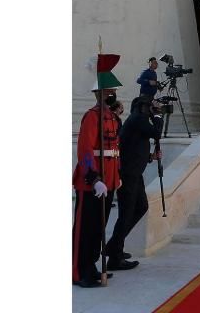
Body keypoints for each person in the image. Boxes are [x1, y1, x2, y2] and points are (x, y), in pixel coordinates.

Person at [105, 96, 164, 270]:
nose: (151, 109)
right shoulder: (138, 119)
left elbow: (134, 147)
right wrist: (158, 116)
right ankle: (114, 258)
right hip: (128, 174)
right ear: (142, 107)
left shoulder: (138, 120)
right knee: (126, 213)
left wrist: (150, 157)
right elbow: (156, 133)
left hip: (134, 173)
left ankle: (114, 246)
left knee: (141, 207)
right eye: (149, 106)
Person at [72, 85, 121, 288]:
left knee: (98, 229)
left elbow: (115, 149)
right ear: (98, 94)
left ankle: (91, 266)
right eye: (107, 92)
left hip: (108, 182)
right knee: (85, 229)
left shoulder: (111, 117)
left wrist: (116, 177)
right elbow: (84, 150)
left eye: (112, 92)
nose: (111, 94)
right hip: (92, 183)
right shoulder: (92, 117)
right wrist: (93, 179)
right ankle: (78, 271)